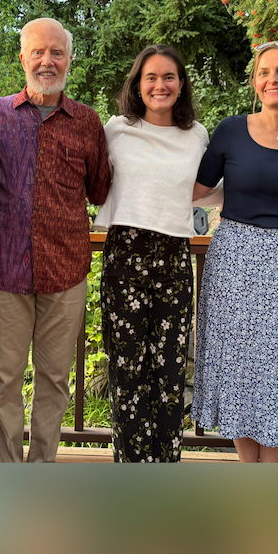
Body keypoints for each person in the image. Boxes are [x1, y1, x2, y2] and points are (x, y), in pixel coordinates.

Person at [0, 17, 111, 463]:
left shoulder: (88, 122)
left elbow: (101, 189)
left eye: (56, 52)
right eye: (38, 51)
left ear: (69, 59)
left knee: (55, 380)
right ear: (23, 58)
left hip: (66, 271)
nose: (47, 61)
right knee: (4, 380)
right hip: (2, 270)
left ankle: (42, 468)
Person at [190, 40, 278, 463]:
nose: (273, 79)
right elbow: (196, 190)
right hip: (233, 255)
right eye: (265, 72)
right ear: (254, 82)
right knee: (239, 366)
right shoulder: (230, 130)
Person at [93, 45, 220, 463]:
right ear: (137, 84)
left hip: (174, 258)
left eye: (169, 77)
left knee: (168, 372)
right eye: (151, 77)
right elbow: (90, 180)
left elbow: (208, 193)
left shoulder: (197, 135)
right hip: (124, 256)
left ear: (181, 84)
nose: (160, 84)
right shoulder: (115, 129)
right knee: (127, 371)